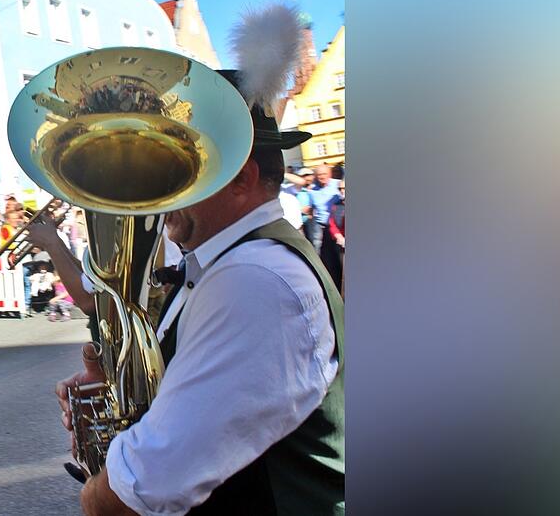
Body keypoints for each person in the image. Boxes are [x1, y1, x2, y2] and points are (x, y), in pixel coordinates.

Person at [58, 62, 345, 513]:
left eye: (182, 173)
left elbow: (148, 484)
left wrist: (96, 492)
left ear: (241, 179)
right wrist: (117, 398)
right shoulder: (225, 265)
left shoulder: (252, 279)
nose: (163, 194)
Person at [307, 164, 341, 254]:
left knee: (340, 252)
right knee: (321, 252)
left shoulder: (339, 185)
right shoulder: (312, 190)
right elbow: (311, 208)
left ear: (330, 174)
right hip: (321, 226)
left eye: (324, 174)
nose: (322, 177)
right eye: (319, 174)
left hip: (337, 226)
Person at [326, 180, 346, 295]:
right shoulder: (337, 205)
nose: (342, 191)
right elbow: (332, 223)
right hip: (342, 243)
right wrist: (337, 235)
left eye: (344, 188)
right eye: (340, 189)